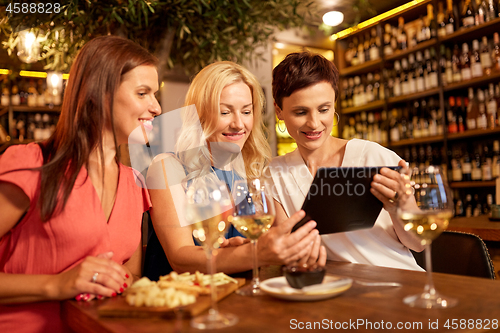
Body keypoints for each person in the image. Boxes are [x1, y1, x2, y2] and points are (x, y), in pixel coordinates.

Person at [0, 35, 160, 332]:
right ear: (99, 93)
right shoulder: (32, 165)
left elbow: (129, 276)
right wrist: (56, 284)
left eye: (155, 94)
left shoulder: (134, 183)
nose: (157, 108)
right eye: (143, 93)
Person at [144, 61, 326, 280]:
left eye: (246, 111)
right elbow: (180, 258)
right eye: (225, 112)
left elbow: (272, 243)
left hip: (236, 300)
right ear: (199, 115)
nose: (239, 124)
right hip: (179, 303)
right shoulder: (167, 167)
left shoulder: (254, 172)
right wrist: (254, 253)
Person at [269, 52, 424, 271]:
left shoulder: (374, 157)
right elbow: (285, 250)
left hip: (400, 279)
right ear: (279, 111)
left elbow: (418, 244)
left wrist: (401, 206)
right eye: (300, 112)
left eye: (324, 110)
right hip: (334, 289)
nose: (314, 123)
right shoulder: (274, 173)